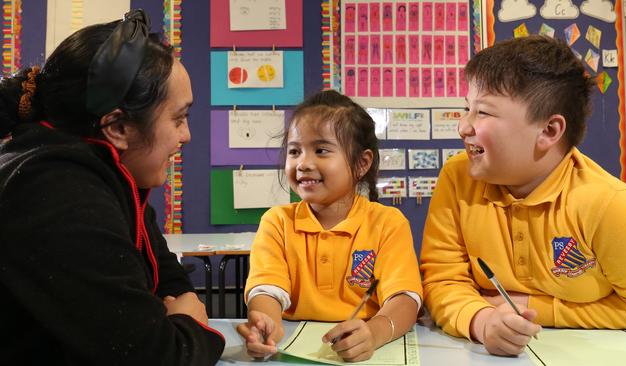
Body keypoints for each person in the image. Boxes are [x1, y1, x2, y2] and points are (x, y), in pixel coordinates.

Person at [0, 9, 225, 365]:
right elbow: (159, 356)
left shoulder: (104, 174)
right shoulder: (58, 193)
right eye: (179, 118)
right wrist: (188, 321)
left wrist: (179, 312)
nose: (186, 136)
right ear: (117, 127)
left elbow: (168, 275)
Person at [420, 35, 626, 357]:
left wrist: (537, 308)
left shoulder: (613, 206)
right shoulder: (457, 178)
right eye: (466, 108)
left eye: (483, 112)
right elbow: (442, 280)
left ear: (549, 132)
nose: (463, 126)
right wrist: (483, 320)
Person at [237, 90, 423, 362]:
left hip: (369, 350)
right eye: (294, 151)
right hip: (291, 347)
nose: (303, 163)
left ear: (361, 163)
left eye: (321, 150)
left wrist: (374, 333)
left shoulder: (387, 223)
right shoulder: (276, 222)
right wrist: (267, 326)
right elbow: (267, 290)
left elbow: (404, 300)